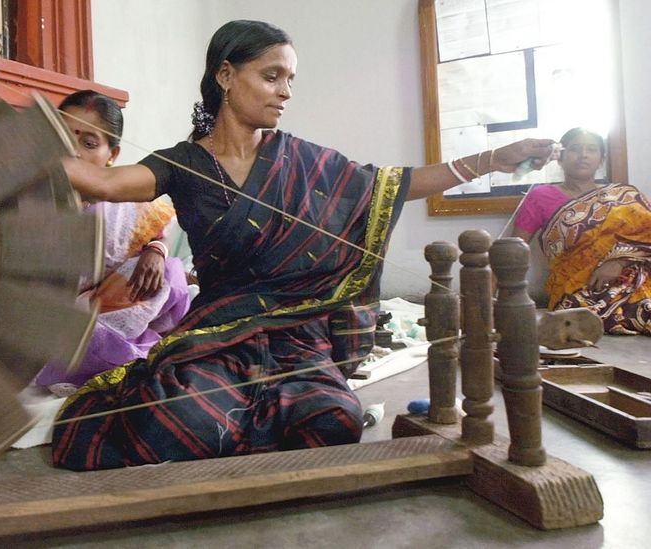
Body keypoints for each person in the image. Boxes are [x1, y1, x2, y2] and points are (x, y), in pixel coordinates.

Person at [53, 20, 557, 471]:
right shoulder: (181, 161)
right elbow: (108, 184)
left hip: (297, 334)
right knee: (180, 424)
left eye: (290, 79)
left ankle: (255, 425)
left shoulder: (302, 160)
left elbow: (386, 183)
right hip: (218, 330)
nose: (285, 91)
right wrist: (26, 155)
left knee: (334, 420)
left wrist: (493, 157)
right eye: (272, 76)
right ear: (226, 76)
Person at [34, 90, 191, 395]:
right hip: (49, 316)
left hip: (105, 307)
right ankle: (87, 362)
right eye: (64, 137)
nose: (74, 151)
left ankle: (111, 355)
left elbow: (155, 231)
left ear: (113, 156)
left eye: (89, 143)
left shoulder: (125, 201)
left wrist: (156, 251)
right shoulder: (29, 195)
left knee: (171, 273)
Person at [513, 128, 651, 335]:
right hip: (576, 293)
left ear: (601, 159)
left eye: (591, 150)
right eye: (576, 149)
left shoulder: (623, 196)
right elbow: (512, 252)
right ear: (560, 157)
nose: (583, 155)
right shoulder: (540, 197)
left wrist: (618, 261)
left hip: (637, 280)